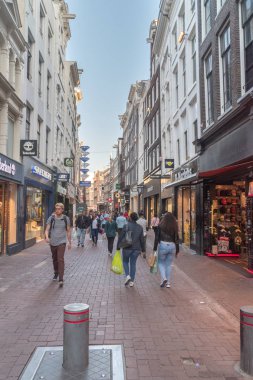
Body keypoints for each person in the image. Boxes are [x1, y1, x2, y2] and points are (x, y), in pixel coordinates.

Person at [45, 203, 71, 287]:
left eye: (59, 209)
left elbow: (68, 231)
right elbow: (47, 229)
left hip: (62, 242)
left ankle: (61, 279)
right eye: (56, 209)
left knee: (60, 259)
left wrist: (69, 242)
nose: (57, 210)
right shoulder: (51, 218)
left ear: (62, 210)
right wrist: (47, 237)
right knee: (54, 259)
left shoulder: (66, 219)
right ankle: (56, 272)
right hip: (53, 242)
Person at [117, 212, 145, 287]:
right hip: (136, 249)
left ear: (130, 218)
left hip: (127, 247)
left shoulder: (126, 226)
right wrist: (143, 250)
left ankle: (127, 276)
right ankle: (132, 281)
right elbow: (142, 239)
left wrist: (118, 246)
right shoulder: (140, 227)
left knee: (125, 261)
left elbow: (121, 236)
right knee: (133, 264)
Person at [153, 212, 179, 288]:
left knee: (161, 263)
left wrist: (154, 248)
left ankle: (164, 278)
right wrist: (177, 250)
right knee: (168, 265)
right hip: (172, 246)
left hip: (163, 245)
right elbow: (177, 239)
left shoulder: (160, 226)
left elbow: (157, 238)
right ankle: (168, 283)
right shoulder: (175, 226)